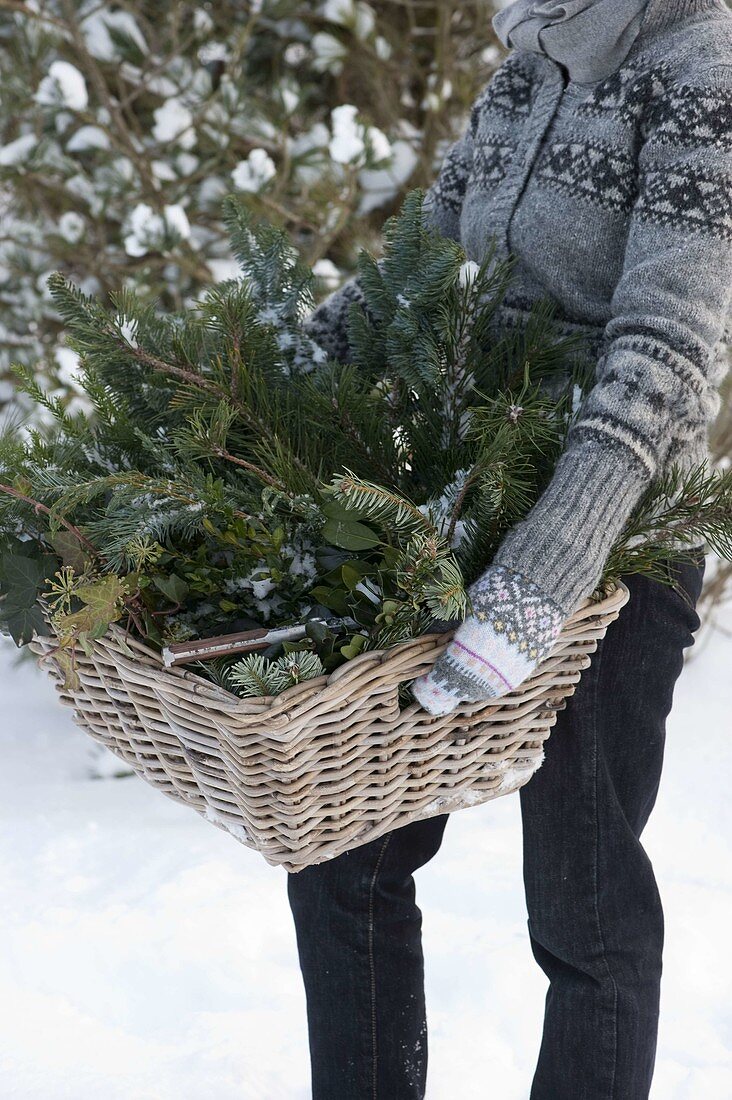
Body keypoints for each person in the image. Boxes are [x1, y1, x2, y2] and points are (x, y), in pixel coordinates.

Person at [286, 1, 732, 1096]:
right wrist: (277, 366)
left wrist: (547, 569)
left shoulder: (701, 67)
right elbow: (425, 263)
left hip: (616, 525)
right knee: (348, 856)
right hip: (467, 494)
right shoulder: (534, 51)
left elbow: (669, 343)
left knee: (583, 902)